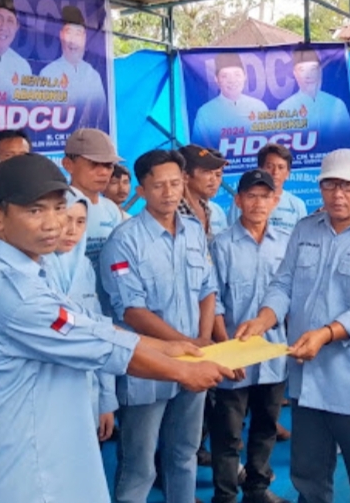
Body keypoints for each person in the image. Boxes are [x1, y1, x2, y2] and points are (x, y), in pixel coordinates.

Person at [0, 153, 234, 503]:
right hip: (25, 470)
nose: (53, 223)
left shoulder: (33, 273)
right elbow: (99, 345)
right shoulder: (15, 294)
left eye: (59, 208)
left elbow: (88, 326)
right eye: (35, 211)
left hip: (40, 453)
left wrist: (169, 347)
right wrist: (183, 371)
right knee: (140, 465)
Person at [236, 148, 350, 503]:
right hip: (306, 379)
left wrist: (326, 334)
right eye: (329, 185)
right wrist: (264, 319)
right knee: (308, 477)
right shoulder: (305, 228)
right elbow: (283, 283)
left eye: (347, 186)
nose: (337, 194)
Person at [100, 149, 221, 503]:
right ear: (142, 189)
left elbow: (208, 288)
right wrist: (186, 344)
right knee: (139, 465)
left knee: (184, 454)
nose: (169, 193)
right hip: (147, 368)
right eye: (158, 186)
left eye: (175, 183)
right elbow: (132, 311)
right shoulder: (124, 240)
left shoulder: (194, 231)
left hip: (195, 362)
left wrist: (202, 339)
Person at [210, 169, 291, 503]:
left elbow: (292, 297)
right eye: (252, 196)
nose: (259, 203)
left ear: (275, 200)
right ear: (239, 200)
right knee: (228, 434)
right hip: (234, 359)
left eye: (265, 196)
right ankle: (225, 496)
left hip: (273, 355)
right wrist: (226, 352)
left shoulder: (286, 243)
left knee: (266, 426)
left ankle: (257, 489)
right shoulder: (221, 245)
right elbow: (213, 302)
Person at [46, 191, 118, 442]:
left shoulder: (84, 267)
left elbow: (99, 329)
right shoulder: (32, 268)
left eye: (80, 222)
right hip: (47, 397)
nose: (72, 230)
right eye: (66, 219)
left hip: (87, 393)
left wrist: (106, 400)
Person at [62, 128, 123, 315]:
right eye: (94, 164)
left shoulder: (111, 209)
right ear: (68, 164)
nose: (103, 172)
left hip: (109, 305)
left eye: (108, 165)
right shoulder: (58, 206)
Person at [39, 5, 107, 125]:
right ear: (61, 35)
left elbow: (102, 118)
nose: (73, 40)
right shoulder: (48, 73)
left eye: (78, 33)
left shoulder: (93, 76)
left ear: (84, 37)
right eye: (69, 32)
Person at [276, 48, 350, 146]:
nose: (308, 75)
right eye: (302, 70)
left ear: (320, 71)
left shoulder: (337, 104)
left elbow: (347, 142)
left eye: (313, 69)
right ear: (295, 74)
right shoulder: (285, 108)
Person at [192, 53, 268, 147]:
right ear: (216, 79)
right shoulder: (205, 113)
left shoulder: (259, 107)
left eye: (237, 75)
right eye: (225, 76)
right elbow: (199, 149)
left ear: (245, 76)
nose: (232, 80)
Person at [228, 143, 307, 233]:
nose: (275, 172)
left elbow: (302, 238)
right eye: (270, 167)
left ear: (288, 174)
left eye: (281, 167)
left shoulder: (297, 205)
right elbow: (231, 234)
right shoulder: (243, 201)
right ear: (260, 169)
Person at [179, 144, 229, 239]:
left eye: (218, 175)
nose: (213, 179)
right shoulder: (172, 212)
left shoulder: (210, 210)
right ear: (185, 176)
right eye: (206, 172)